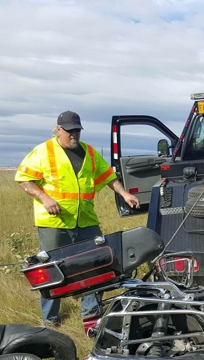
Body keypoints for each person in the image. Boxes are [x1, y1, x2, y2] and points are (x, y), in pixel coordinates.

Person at [15, 110, 140, 327]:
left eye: (77, 131)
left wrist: (124, 193)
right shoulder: (43, 151)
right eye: (70, 131)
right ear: (58, 129)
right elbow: (24, 180)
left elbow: (108, 177)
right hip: (54, 223)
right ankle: (50, 319)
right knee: (52, 270)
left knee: (96, 264)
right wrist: (44, 198)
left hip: (86, 221)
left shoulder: (89, 153)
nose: (74, 135)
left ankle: (91, 314)